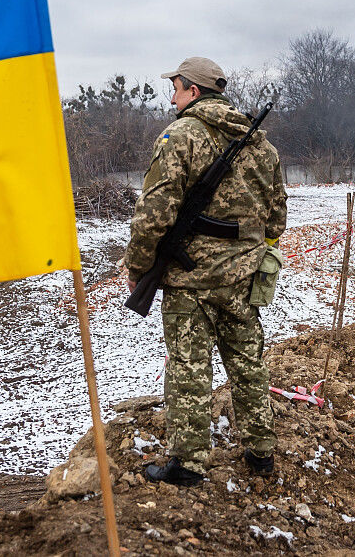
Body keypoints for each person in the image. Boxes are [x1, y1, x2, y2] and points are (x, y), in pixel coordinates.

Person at [124, 57, 286, 486]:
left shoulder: (179, 137)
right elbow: (276, 221)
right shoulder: (261, 146)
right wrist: (247, 258)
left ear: (193, 91)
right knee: (248, 363)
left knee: (188, 369)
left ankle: (189, 463)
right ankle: (262, 452)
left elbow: (152, 214)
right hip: (241, 282)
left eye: (175, 88)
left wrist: (138, 267)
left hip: (189, 283)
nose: (172, 97)